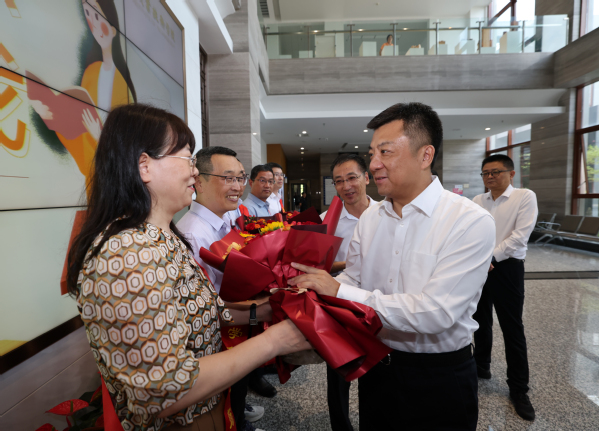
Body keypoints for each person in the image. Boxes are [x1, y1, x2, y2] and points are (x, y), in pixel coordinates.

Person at [67, 104, 310, 431]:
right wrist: (275, 341)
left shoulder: (160, 235)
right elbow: (165, 390)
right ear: (145, 166)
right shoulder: (127, 253)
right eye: (187, 159)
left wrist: (267, 309)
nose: (195, 172)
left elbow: (200, 311)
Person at [288, 102, 496, 431]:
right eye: (372, 153)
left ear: (425, 155)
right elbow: (355, 277)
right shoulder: (371, 217)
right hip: (377, 364)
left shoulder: (469, 221)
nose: (373, 164)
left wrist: (337, 290)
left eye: (385, 152)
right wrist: (310, 291)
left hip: (438, 376)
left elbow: (436, 312)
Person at [176, 147, 265, 430]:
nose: (238, 186)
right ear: (198, 182)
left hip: (233, 325)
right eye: (228, 178)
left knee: (235, 393)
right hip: (216, 335)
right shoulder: (193, 234)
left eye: (240, 178)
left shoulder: (224, 219)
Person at [472, 154, 538, 421]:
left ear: (511, 174)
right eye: (485, 173)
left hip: (507, 268)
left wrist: (491, 257)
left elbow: (520, 237)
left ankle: (519, 389)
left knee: (512, 328)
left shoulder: (524, 196)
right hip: (480, 267)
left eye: (495, 172)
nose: (490, 177)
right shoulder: (478, 200)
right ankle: (481, 366)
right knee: (480, 320)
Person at [320, 153, 377, 431]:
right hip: (339, 304)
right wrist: (352, 263)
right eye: (339, 181)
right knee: (338, 372)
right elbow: (318, 266)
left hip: (379, 304)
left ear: (366, 178)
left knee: (376, 371)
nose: (346, 186)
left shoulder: (387, 213)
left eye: (352, 178)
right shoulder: (326, 221)